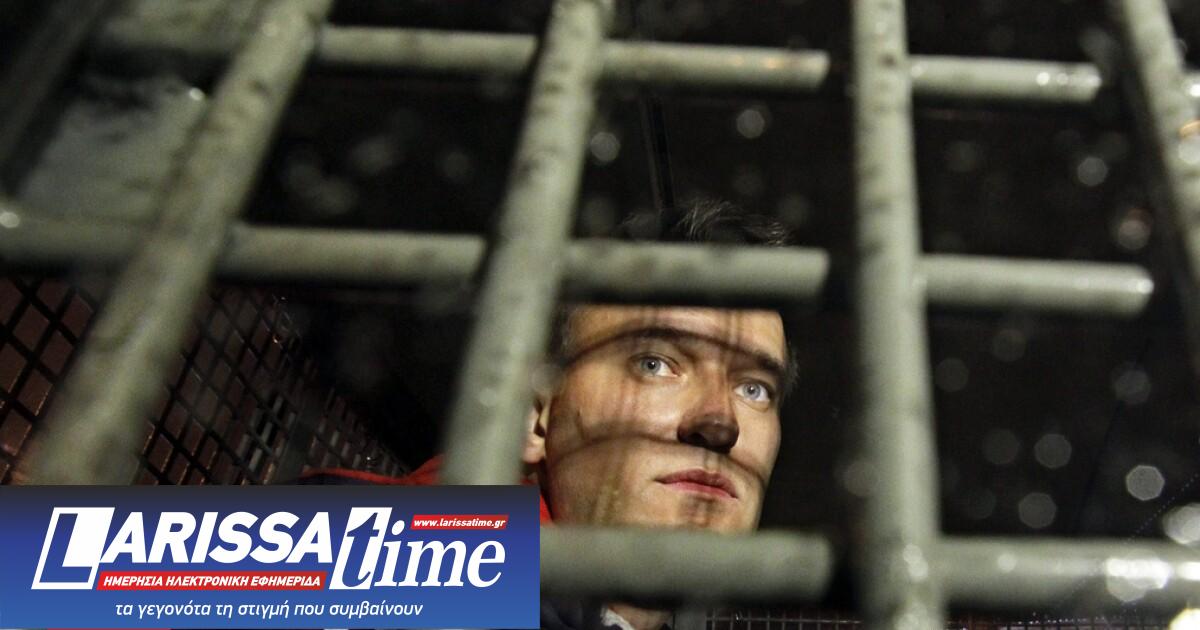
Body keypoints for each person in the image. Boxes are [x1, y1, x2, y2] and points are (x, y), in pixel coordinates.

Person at [302, 199, 797, 630]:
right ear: (536, 416)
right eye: (654, 364)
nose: (721, 422)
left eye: (753, 389)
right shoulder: (330, 555)